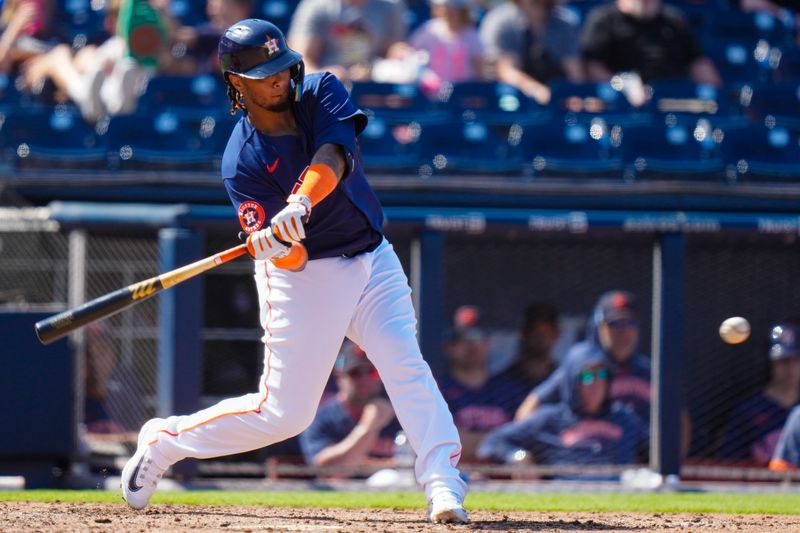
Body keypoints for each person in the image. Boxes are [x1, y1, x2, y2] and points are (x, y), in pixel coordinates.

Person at [120, 18, 467, 524]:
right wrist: (274, 244)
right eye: (265, 75)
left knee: (405, 365)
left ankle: (443, 484)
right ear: (237, 82)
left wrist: (299, 203)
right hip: (306, 277)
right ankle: (167, 441)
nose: (280, 80)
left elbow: (336, 154)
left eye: (282, 68)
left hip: (371, 257)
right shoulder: (241, 162)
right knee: (283, 415)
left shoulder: (320, 90)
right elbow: (293, 260)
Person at [476, 350, 648, 473]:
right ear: (571, 383)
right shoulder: (549, 418)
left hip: (619, 494)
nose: (596, 383)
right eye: (587, 377)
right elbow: (492, 442)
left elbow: (655, 449)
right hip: (565, 493)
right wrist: (517, 456)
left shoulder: (624, 417)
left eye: (602, 375)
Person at [514, 290, 652, 424]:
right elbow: (529, 407)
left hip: (642, 446)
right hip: (584, 443)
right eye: (614, 324)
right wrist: (527, 446)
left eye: (630, 323)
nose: (623, 331)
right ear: (600, 328)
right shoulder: (583, 365)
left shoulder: (649, 372)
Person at [22, 0, 167, 122]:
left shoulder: (115, 44)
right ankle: (90, 95)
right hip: (55, 91)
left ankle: (100, 96)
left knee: (105, 55)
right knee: (71, 56)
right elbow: (29, 72)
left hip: (93, 88)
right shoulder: (38, 47)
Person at [436, 306, 526, 462]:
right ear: (448, 346)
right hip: (457, 476)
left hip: (502, 480)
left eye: (477, 336)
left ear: (487, 342)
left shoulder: (508, 390)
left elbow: (524, 439)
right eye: (461, 338)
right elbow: (444, 446)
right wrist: (501, 442)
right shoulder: (438, 390)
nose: (471, 344)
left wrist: (471, 440)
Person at [299, 342, 401, 472]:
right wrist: (367, 427)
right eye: (355, 372)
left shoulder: (401, 414)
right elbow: (323, 468)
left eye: (372, 372)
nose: (365, 379)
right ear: (340, 378)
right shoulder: (322, 417)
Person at [580, 0, 722, 87]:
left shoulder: (674, 20)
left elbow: (698, 63)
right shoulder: (604, 20)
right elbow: (592, 67)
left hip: (670, 100)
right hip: (625, 103)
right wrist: (620, 86)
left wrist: (717, 94)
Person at [721, 323, 800, 466]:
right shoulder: (750, 410)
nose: (791, 368)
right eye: (784, 361)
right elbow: (730, 462)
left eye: (796, 360)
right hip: (759, 485)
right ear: (771, 363)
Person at [478, 0, 584, 104]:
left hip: (557, 102)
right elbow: (507, 71)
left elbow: (574, 73)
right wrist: (537, 90)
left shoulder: (565, 23)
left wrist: (577, 96)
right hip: (513, 102)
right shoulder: (502, 22)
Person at [287, 0, 409, 82]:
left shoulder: (391, 6)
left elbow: (395, 51)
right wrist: (325, 76)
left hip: (374, 90)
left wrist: (375, 71)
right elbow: (299, 61)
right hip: (324, 92)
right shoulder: (315, 5)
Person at [387, 0, 484, 94]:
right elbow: (408, 48)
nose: (448, 12)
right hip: (432, 94)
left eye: (453, 8)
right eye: (445, 8)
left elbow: (479, 69)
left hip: (462, 94)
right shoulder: (430, 30)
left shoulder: (471, 35)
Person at [496, 301, 559, 393]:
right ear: (523, 333)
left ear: (557, 335)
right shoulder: (504, 381)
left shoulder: (561, 378)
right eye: (534, 331)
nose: (540, 338)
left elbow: (586, 376)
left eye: (547, 332)